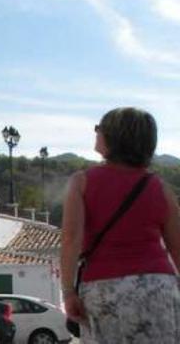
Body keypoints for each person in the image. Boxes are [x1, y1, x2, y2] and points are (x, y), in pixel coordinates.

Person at [60, 107, 180, 342]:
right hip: (158, 287)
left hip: (104, 288)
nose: (96, 133)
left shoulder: (81, 182)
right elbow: (177, 247)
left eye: (99, 128)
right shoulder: (159, 187)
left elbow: (70, 240)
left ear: (114, 137)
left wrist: (67, 291)